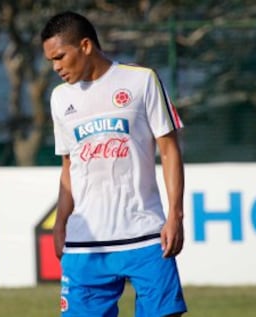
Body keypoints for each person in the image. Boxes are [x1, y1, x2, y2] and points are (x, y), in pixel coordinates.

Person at [41, 11, 187, 317]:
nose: (55, 67)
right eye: (51, 60)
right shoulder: (59, 98)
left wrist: (175, 215)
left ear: (85, 46)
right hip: (86, 243)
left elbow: (169, 149)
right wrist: (61, 222)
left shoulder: (141, 80)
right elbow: (69, 166)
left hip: (146, 235)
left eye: (59, 57)